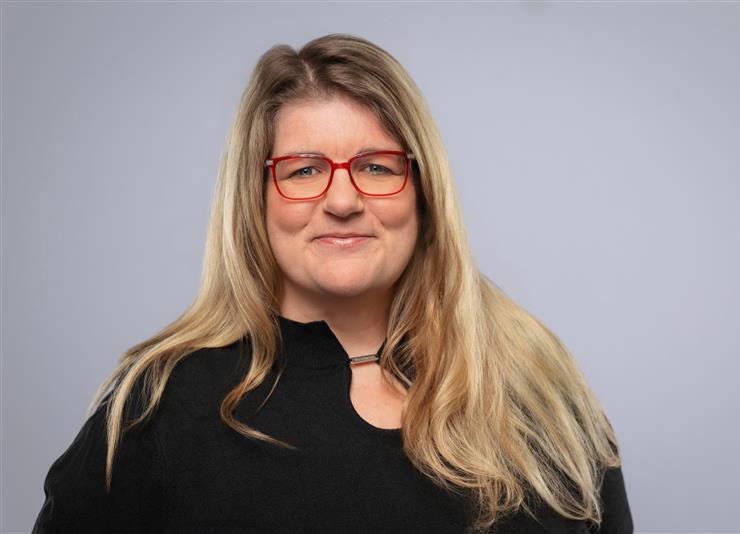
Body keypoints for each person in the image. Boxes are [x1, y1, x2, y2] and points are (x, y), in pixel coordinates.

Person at [31, 33, 633, 534]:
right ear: (255, 198)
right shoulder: (161, 406)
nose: (342, 200)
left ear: (423, 191)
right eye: (303, 170)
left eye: (376, 166)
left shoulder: (538, 386)